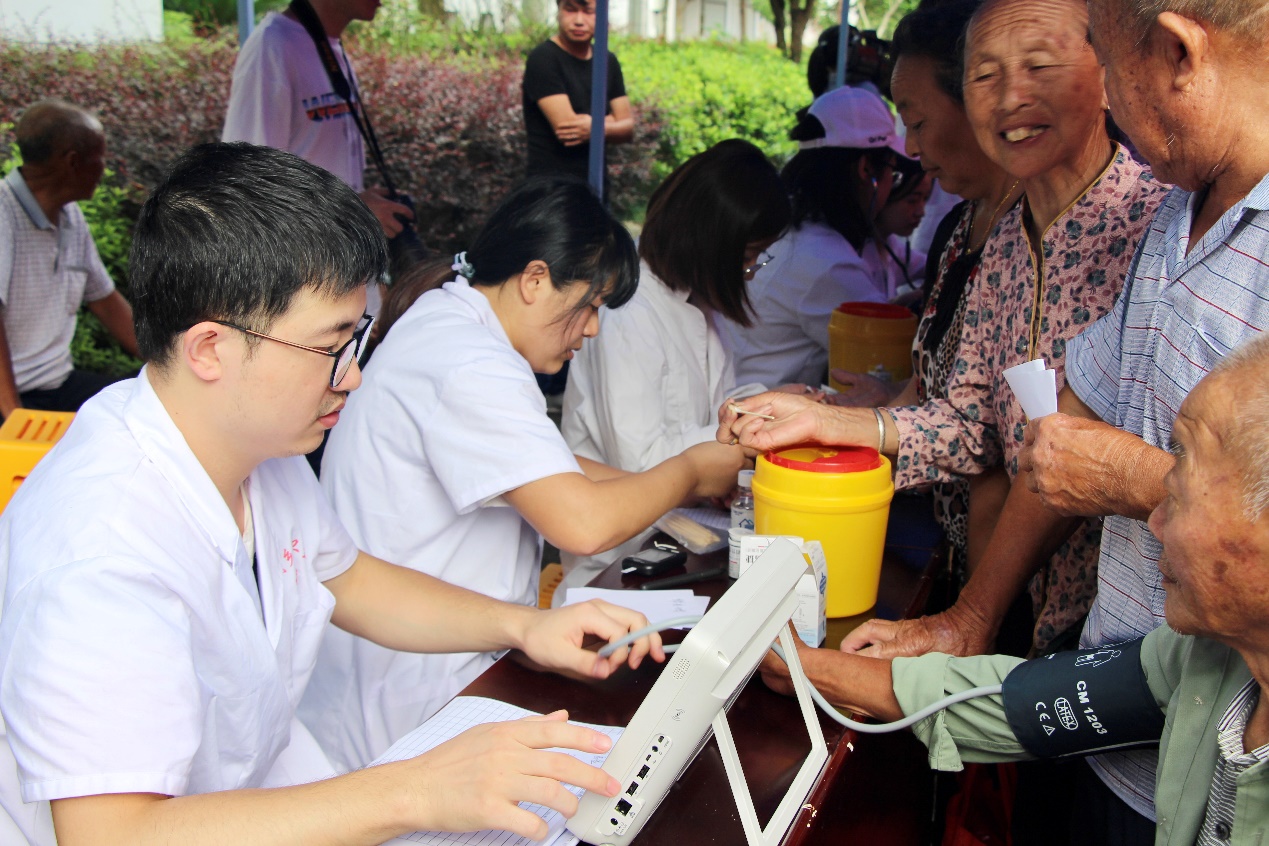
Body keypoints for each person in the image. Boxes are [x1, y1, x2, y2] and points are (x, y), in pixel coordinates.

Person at [0, 142, 664, 846]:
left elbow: (346, 577)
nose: (351, 376)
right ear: (209, 349)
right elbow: (111, 835)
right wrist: (412, 790)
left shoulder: (260, 451)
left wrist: (521, 627)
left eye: (359, 339)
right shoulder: (102, 549)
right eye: (331, 347)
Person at [823, 0, 1269, 832]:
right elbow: (1068, 427)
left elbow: (1087, 458)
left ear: (1169, 52)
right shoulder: (1178, 210)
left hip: (1220, 756)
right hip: (1113, 702)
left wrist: (1134, 478)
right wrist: (971, 618)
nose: (1004, 97)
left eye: (1070, 54)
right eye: (983, 75)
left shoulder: (1146, 202)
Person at [722, 0, 1168, 657]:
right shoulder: (1008, 238)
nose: (1012, 96)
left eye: (1039, 66)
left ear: (1106, 70)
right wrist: (831, 421)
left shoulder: (1153, 224)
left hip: (1125, 634)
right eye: (985, 76)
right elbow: (971, 423)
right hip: (1012, 610)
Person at [758, 331, 1269, 846]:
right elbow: (1016, 703)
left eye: (1176, 492)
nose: (1152, 522)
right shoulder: (1198, 662)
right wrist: (805, 665)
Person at [306, 178, 745, 772]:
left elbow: (547, 468)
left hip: (439, 656)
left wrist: (673, 493)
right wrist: (691, 471)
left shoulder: (451, 322)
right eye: (589, 305)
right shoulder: (470, 363)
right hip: (417, 686)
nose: (592, 330)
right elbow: (582, 524)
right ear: (535, 279)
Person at [829, 0, 1021, 577]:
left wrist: (850, 427)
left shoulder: (1040, 230)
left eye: (916, 122)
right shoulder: (959, 229)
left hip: (1012, 581)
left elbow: (987, 439)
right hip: (951, 547)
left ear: (980, 101)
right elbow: (935, 378)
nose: (911, 150)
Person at [560, 139, 795, 594]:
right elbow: (642, 464)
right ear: (711, 245)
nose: (750, 273)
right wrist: (741, 433)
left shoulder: (694, 305)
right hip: (622, 559)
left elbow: (711, 415)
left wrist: (773, 407)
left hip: (685, 535)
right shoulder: (627, 311)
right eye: (747, 259)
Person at [718, 86, 922, 388]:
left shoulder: (792, 230)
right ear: (868, 170)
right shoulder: (827, 264)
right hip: (761, 417)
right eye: (893, 171)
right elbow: (887, 361)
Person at [222, 0, 413, 246]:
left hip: (339, 267)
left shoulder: (328, 46)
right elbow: (247, 187)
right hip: (303, 275)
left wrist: (363, 202)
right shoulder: (271, 46)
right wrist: (354, 211)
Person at [0, 100, 138, 418]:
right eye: (102, 157)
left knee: (142, 408)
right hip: (10, 396)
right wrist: (13, 415)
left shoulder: (70, 217)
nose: (106, 168)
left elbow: (104, 300)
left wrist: (167, 364)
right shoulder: (4, 213)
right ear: (72, 162)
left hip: (56, 384)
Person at [522, 0, 634, 185]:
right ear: (558, 11)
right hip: (551, 188)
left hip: (596, 184)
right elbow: (569, 129)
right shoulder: (544, 58)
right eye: (570, 10)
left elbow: (628, 128)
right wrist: (611, 123)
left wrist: (594, 127)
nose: (579, 20)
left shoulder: (607, 60)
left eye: (588, 11)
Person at [876, 170, 933, 304]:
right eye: (912, 200)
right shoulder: (849, 253)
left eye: (925, 199)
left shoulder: (890, 245)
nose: (921, 212)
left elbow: (930, 265)